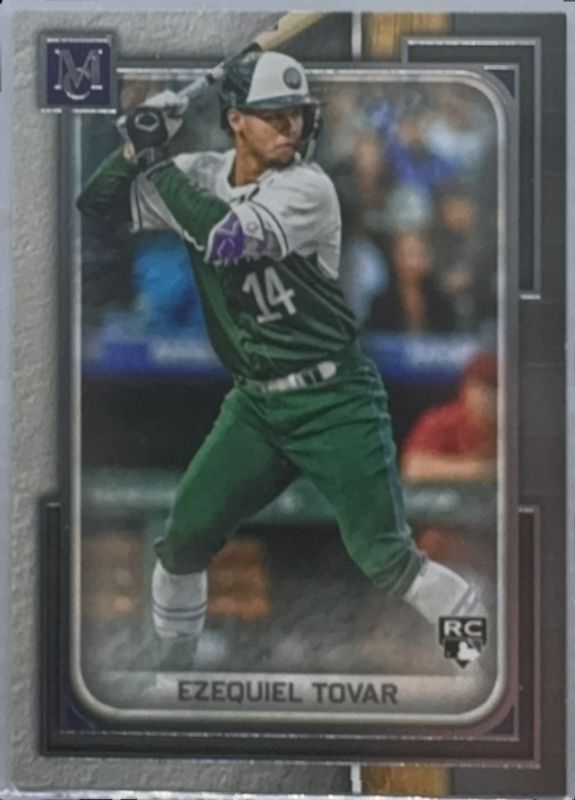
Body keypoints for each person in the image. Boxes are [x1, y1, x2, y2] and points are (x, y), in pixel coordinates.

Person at [77, 49, 484, 670]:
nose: (289, 126)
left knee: (386, 558)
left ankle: (478, 656)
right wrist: (133, 148)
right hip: (257, 403)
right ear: (235, 120)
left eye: (295, 113)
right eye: (272, 115)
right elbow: (96, 206)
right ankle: (172, 674)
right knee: (181, 542)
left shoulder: (308, 187)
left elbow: (226, 239)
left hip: (334, 400)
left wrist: (156, 159)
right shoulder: (198, 172)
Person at [401, 352, 497, 483]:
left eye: (494, 389)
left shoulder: (515, 424)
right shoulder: (442, 420)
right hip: (450, 494)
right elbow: (414, 468)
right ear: (466, 388)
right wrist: (480, 470)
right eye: (481, 388)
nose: (488, 397)